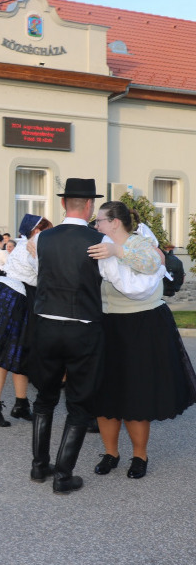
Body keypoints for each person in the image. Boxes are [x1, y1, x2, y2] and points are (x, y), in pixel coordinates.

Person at [87, 201, 196, 479]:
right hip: (108, 324)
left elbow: (151, 263)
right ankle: (111, 453)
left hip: (142, 324)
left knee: (137, 393)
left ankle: (139, 455)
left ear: (115, 222)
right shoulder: (97, 244)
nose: (96, 224)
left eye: (100, 220)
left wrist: (117, 250)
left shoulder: (141, 243)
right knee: (105, 393)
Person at [31, 178, 108, 495]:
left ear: (64, 203)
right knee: (79, 402)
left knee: (45, 397)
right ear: (89, 205)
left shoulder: (42, 238)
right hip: (83, 326)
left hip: (46, 323)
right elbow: (112, 279)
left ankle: (39, 466)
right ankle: (63, 475)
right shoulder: (98, 239)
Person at [0, 214, 52, 427]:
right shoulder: (34, 247)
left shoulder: (23, 244)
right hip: (18, 298)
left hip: (5, 293)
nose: (50, 234)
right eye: (46, 229)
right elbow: (46, 274)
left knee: (15, 354)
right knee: (13, 353)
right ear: (37, 231)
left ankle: (19, 404)